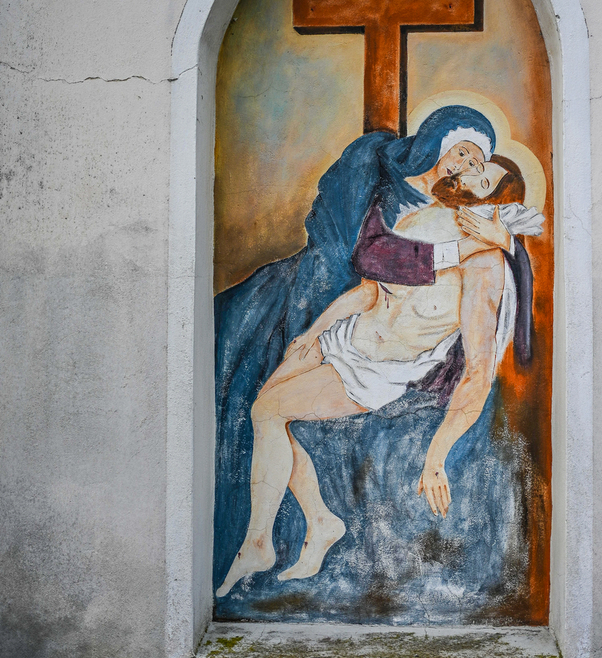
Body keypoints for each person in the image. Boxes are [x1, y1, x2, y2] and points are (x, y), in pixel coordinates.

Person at [213, 105, 539, 599]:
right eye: (466, 159)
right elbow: (371, 287)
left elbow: (477, 371)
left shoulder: (487, 268)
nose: (467, 172)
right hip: (345, 335)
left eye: (482, 173)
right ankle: (315, 525)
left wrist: (436, 457)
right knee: (265, 411)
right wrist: (315, 332)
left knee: (269, 411)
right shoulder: (425, 219)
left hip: (377, 369)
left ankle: (264, 543)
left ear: (500, 203)